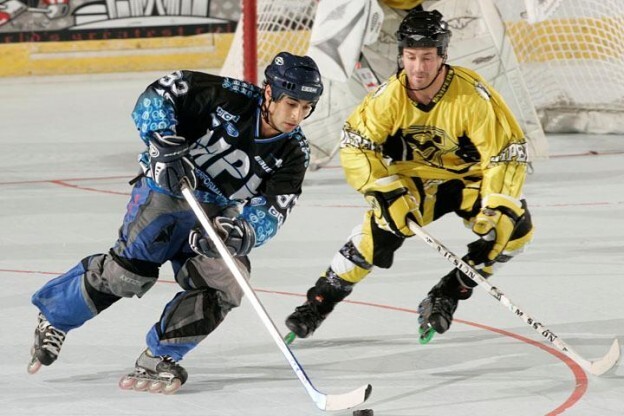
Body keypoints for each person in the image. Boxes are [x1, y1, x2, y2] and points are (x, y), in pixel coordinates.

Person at [28, 51, 324, 393]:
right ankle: (55, 316)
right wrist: (161, 141)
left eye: (306, 108)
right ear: (269, 92)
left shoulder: (294, 151)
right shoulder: (228, 96)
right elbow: (159, 94)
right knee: (127, 275)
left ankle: (159, 357)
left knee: (227, 283)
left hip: (215, 216)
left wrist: (243, 232)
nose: (297, 115)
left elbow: (274, 208)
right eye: (292, 104)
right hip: (165, 194)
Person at [285, 9, 534, 343]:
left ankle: (448, 292)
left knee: (513, 231)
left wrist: (498, 205)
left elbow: (504, 152)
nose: (418, 68)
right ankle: (320, 300)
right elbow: (356, 145)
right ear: (401, 54)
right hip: (415, 182)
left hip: (470, 181)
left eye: (428, 57)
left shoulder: (472, 95)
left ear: (443, 56)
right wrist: (384, 189)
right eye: (411, 57)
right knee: (378, 233)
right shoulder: (387, 98)